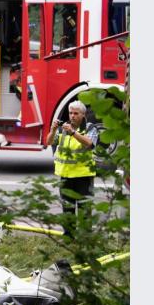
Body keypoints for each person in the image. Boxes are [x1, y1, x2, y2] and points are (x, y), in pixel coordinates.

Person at [47, 101, 98, 237]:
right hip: (65, 174)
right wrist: (52, 130)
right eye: (71, 113)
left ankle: (86, 236)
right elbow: (49, 142)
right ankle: (69, 235)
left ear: (83, 114)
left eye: (76, 113)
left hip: (83, 175)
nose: (72, 116)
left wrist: (73, 133)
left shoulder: (90, 127)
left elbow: (89, 143)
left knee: (84, 208)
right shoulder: (63, 128)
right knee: (67, 208)